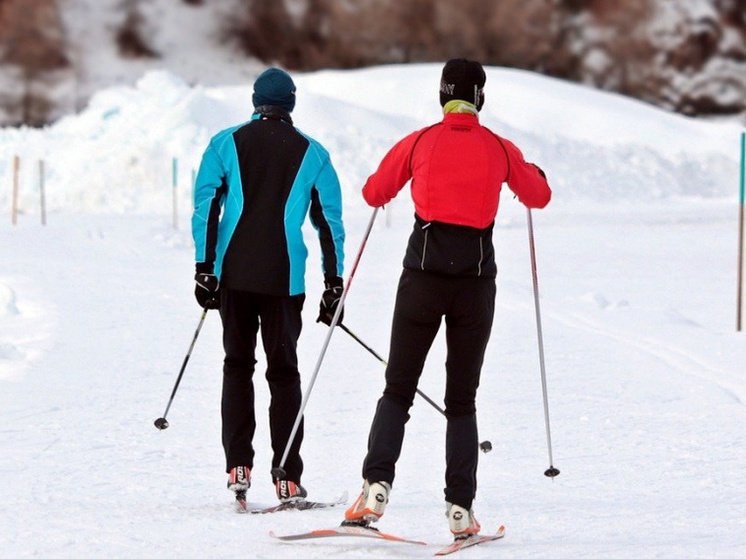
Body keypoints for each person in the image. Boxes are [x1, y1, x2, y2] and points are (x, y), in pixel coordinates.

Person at [344, 59, 551, 538]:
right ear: (479, 97)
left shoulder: (420, 141)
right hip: (475, 287)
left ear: (443, 96)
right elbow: (538, 196)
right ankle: (460, 508)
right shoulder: (499, 148)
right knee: (461, 399)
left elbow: (374, 192)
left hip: (421, 281)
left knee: (398, 387)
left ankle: (376, 486)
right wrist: (533, 172)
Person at [191, 67, 345, 507]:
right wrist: (334, 284)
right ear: (291, 103)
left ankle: (238, 465)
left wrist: (205, 268)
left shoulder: (224, 143)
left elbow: (207, 208)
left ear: (256, 101)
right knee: (283, 374)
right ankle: (287, 478)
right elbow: (329, 225)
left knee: (237, 365)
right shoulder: (313, 153)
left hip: (234, 276)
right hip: (284, 280)